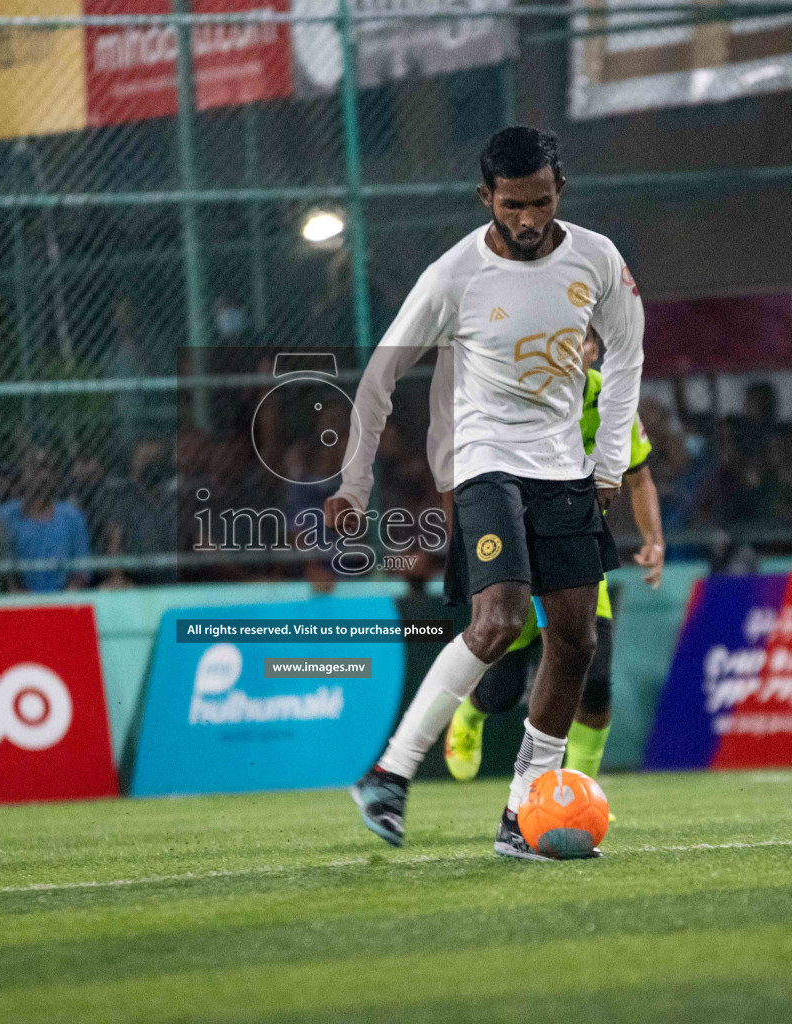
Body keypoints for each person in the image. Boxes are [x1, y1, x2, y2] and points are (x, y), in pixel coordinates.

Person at [326, 126, 643, 860]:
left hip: (565, 469)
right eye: (511, 206)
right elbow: (379, 376)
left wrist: (607, 464)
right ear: (485, 199)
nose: (527, 221)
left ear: (559, 189)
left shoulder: (597, 259)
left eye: (539, 202)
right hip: (485, 463)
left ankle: (521, 812)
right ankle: (390, 773)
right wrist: (353, 479)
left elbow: (626, 355)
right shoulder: (452, 276)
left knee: (575, 639)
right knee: (498, 618)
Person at [442, 330, 664, 798]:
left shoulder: (611, 401)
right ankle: (470, 713)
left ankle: (577, 792)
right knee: (501, 689)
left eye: (576, 341)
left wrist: (654, 540)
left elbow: (639, 477)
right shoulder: (521, 397)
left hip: (576, 554)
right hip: (523, 556)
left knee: (596, 682)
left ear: (592, 352)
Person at [0, 448, 89, 592]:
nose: (42, 475)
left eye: (48, 468)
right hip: (18, 601)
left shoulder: (71, 517)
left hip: (64, 601)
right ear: (22, 474)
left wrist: (64, 600)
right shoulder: (4, 517)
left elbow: (82, 571)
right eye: (34, 468)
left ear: (56, 477)